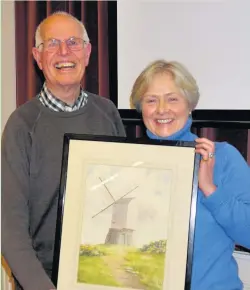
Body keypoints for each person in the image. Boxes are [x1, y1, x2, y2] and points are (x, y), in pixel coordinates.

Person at [1, 11, 126, 290]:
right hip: (43, 279)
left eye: (73, 42)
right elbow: (10, 227)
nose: (64, 52)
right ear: (37, 56)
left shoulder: (108, 113)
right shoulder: (21, 125)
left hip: (103, 274)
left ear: (88, 51)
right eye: (52, 44)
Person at [129, 59, 250, 289]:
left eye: (173, 99)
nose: (162, 109)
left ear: (190, 104)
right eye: (151, 100)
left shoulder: (223, 157)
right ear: (141, 108)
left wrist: (210, 190)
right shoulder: (125, 161)